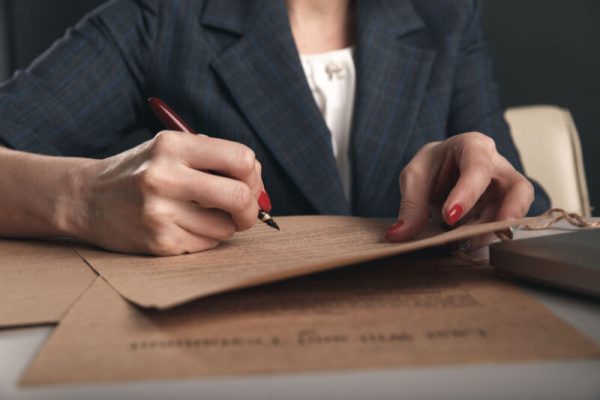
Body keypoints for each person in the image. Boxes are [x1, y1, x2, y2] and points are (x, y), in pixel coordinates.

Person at [0, 0, 549, 255]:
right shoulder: (161, 17)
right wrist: (84, 199)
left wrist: (481, 190)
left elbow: (523, 204)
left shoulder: (447, 15)